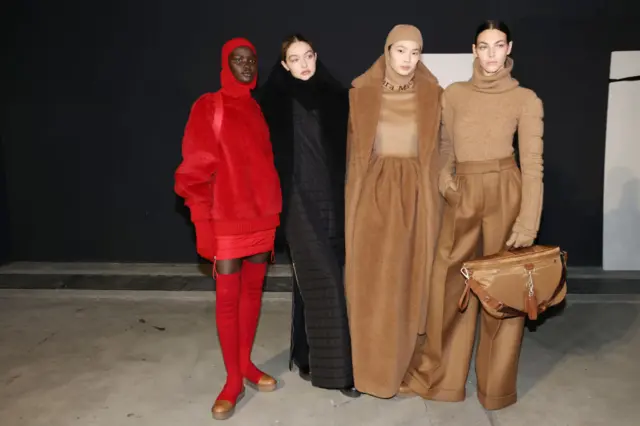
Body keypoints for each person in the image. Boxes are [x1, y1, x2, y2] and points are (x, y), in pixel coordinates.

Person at [403, 20, 544, 410]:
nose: (492, 54)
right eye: (485, 46)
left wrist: (528, 222)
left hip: (505, 190)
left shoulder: (526, 99)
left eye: (499, 46)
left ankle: (495, 389)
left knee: (504, 293)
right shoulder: (455, 95)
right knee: (449, 284)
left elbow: (533, 164)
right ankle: (443, 380)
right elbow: (444, 147)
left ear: (509, 47)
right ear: (474, 49)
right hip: (462, 193)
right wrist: (446, 183)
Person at [174, 37, 283, 420]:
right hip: (226, 223)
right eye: (238, 60)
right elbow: (194, 171)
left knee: (253, 295)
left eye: (251, 60)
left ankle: (246, 365)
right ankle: (233, 380)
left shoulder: (256, 108)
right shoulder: (210, 106)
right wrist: (203, 225)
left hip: (261, 219)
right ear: (226, 64)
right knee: (227, 301)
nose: (247, 66)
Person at [344, 24, 444, 398]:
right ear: (386, 50)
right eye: (400, 50)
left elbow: (441, 151)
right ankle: (370, 370)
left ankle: (406, 366)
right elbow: (353, 157)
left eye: (415, 52)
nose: (407, 59)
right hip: (374, 198)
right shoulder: (361, 94)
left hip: (418, 201)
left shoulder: (434, 94)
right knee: (373, 284)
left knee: (409, 283)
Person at [257, 34, 359, 398]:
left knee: (309, 283)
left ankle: (303, 353)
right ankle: (338, 373)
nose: (303, 64)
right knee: (328, 283)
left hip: (333, 201)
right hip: (296, 202)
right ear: (283, 64)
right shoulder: (269, 102)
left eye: (308, 56)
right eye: (294, 58)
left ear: (317, 57)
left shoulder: (338, 97)